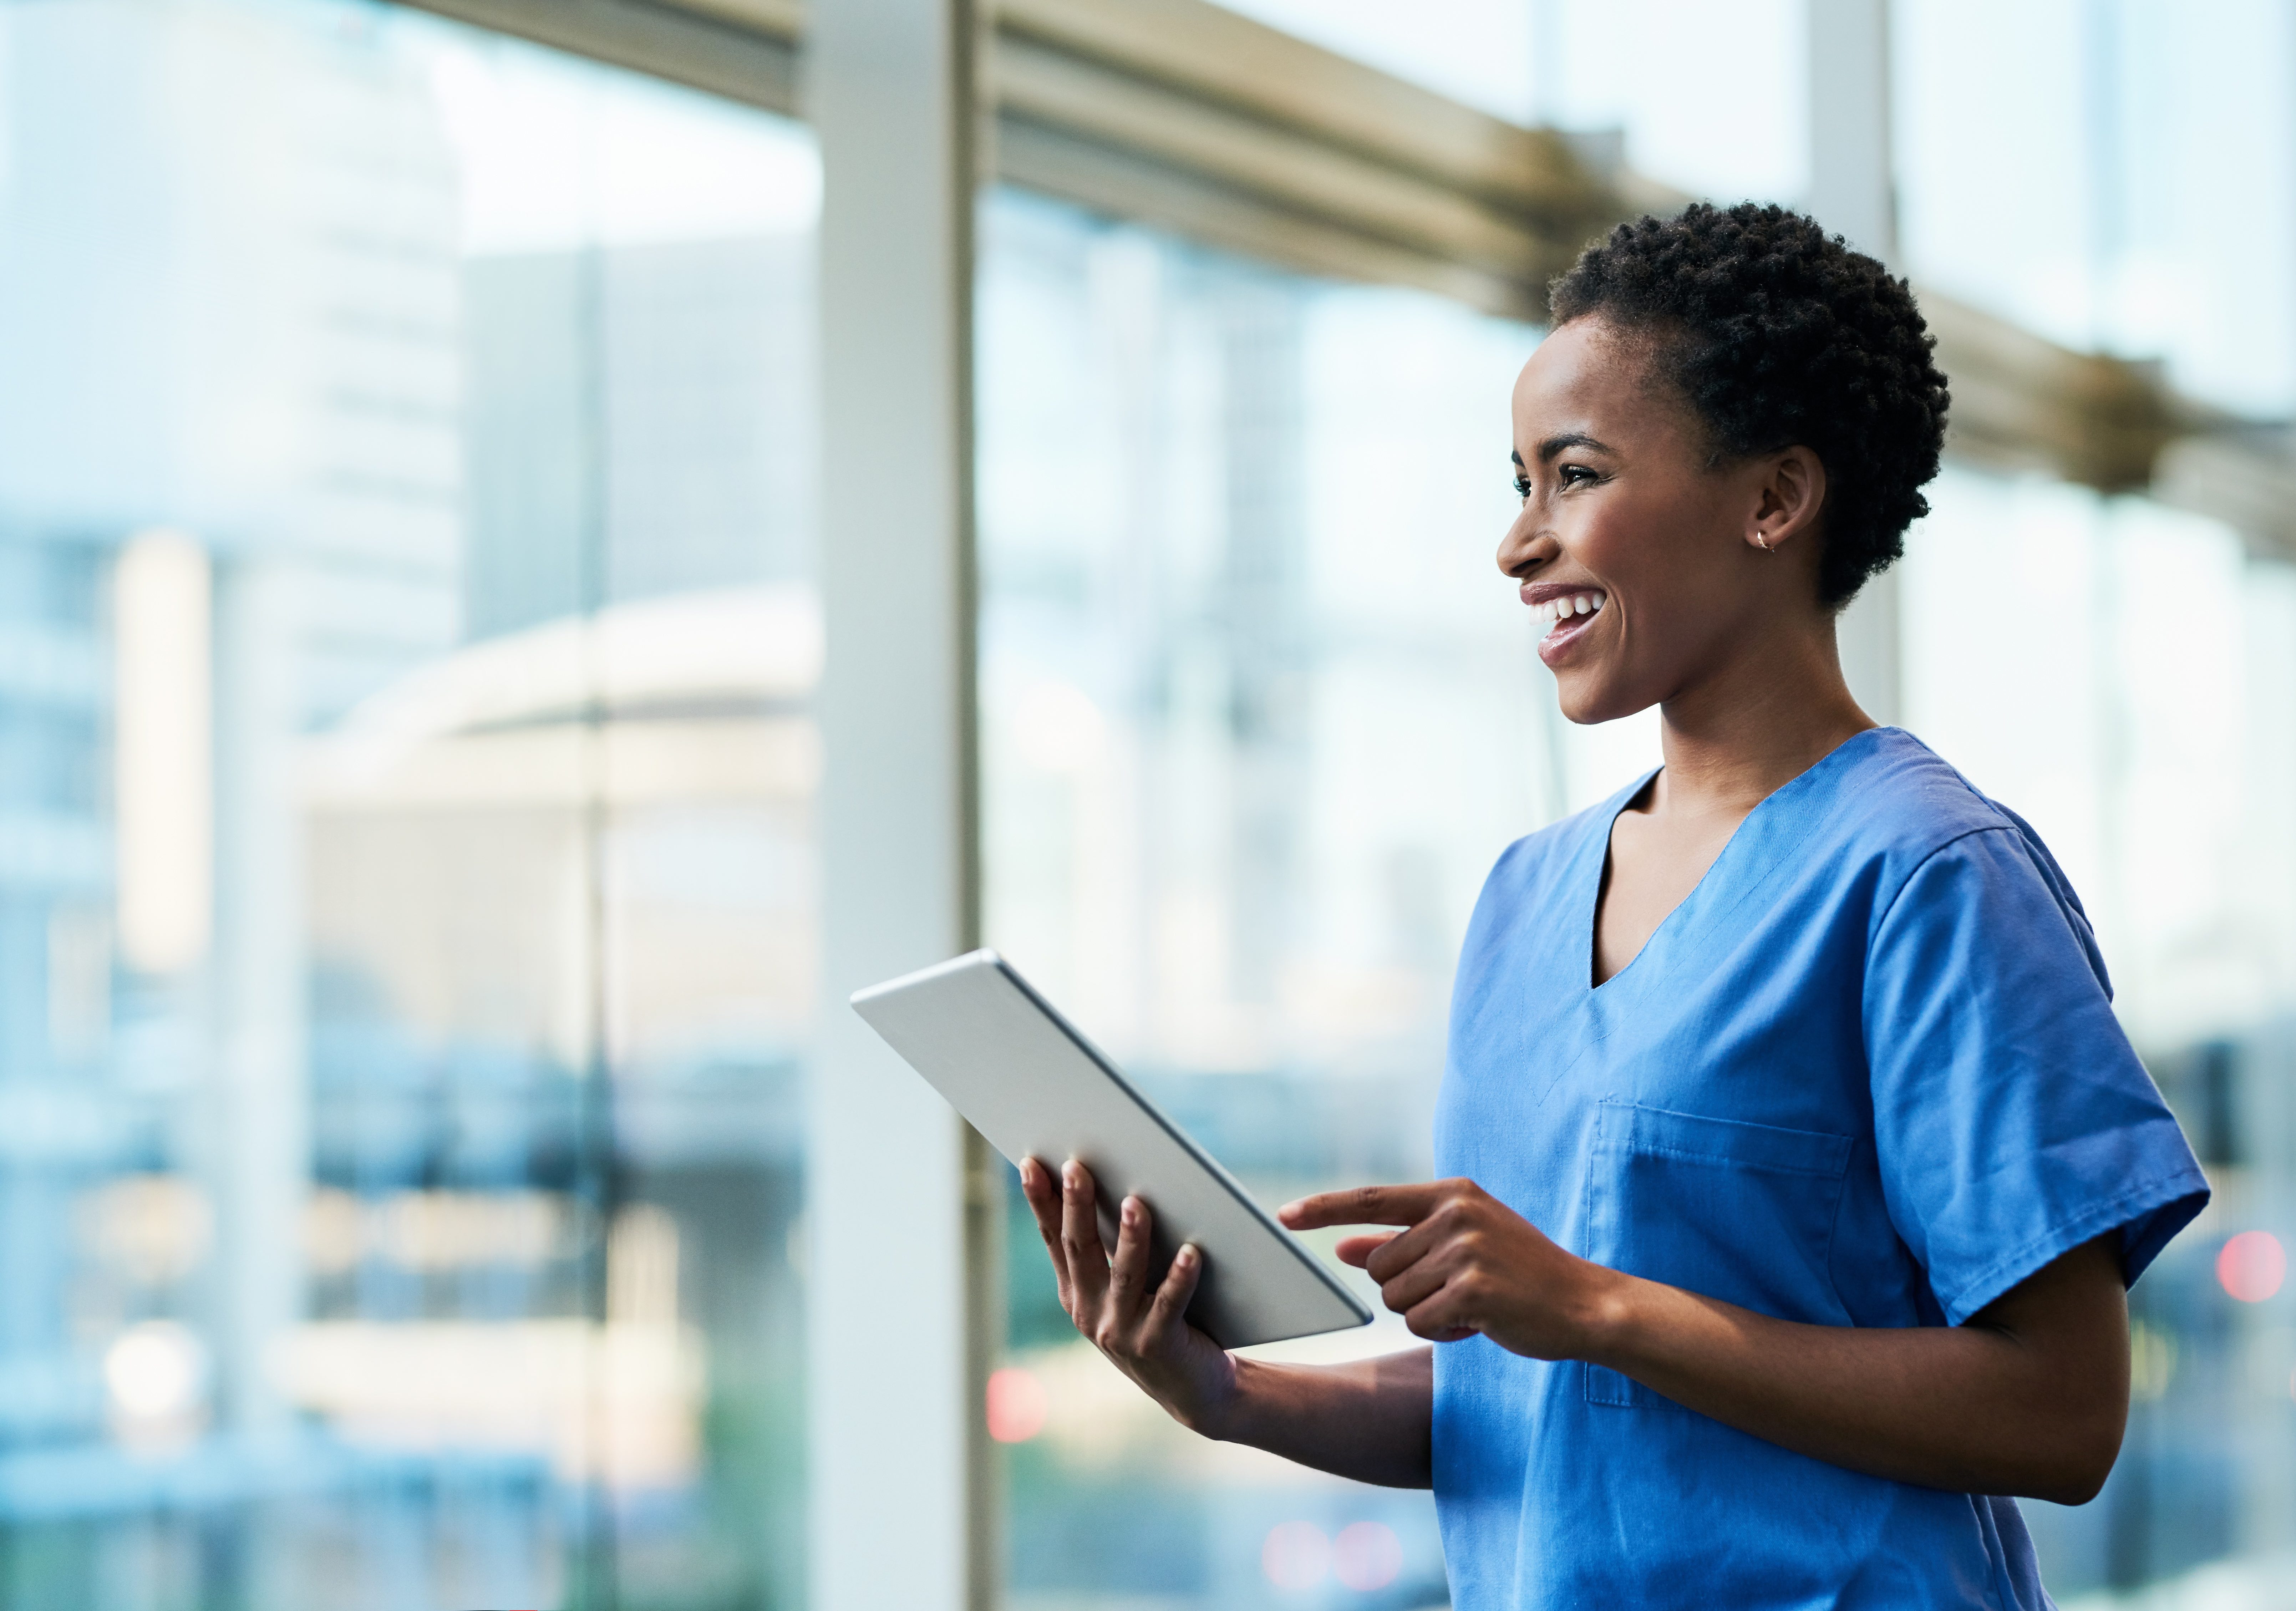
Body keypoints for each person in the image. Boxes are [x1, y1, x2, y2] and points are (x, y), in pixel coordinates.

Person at [1016, 201, 2209, 1609]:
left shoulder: (1928, 877)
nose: (1519, 545)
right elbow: (1529, 1413)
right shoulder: (1525, 899)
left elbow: (2062, 1417)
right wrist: (1224, 1392)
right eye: (1517, 485)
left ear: (1772, 500)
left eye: (1570, 477)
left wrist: (1596, 1304)